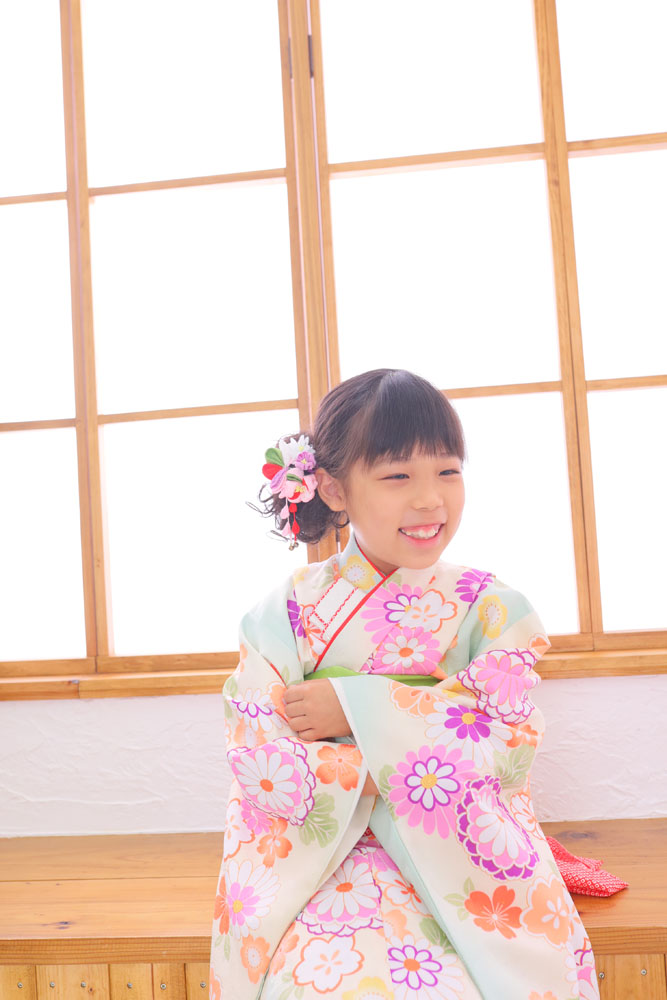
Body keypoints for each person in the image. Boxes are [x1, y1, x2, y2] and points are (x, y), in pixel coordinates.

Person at [209, 369, 599, 1000]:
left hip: (464, 859)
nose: (429, 500)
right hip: (324, 862)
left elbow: (507, 741)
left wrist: (354, 710)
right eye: (398, 476)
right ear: (333, 488)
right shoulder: (283, 613)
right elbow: (259, 754)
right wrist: (408, 747)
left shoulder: (493, 609)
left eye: (447, 471)